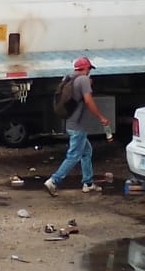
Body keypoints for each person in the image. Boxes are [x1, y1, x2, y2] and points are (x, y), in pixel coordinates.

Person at [44, 56, 113, 196]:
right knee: (74, 155)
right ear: (86, 68)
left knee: (87, 151)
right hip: (78, 126)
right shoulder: (83, 80)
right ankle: (53, 180)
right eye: (89, 69)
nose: (89, 72)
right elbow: (88, 101)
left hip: (70, 123)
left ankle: (87, 183)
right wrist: (101, 117)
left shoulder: (69, 78)